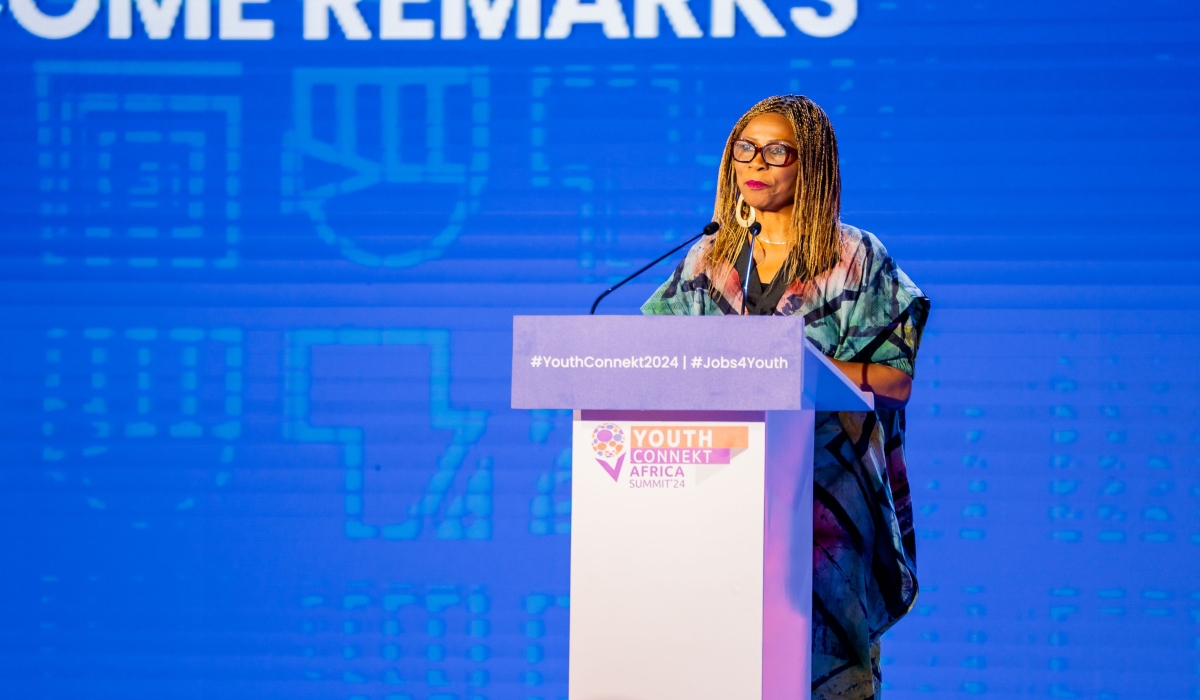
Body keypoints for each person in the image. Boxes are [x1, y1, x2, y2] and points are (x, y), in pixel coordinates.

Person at [642, 95, 930, 700]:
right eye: (746, 149)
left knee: (818, 677)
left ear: (812, 165)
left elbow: (894, 381)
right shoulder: (708, 258)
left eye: (778, 152)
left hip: (823, 507)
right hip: (715, 507)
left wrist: (788, 368)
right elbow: (653, 357)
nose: (757, 163)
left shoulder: (855, 258)